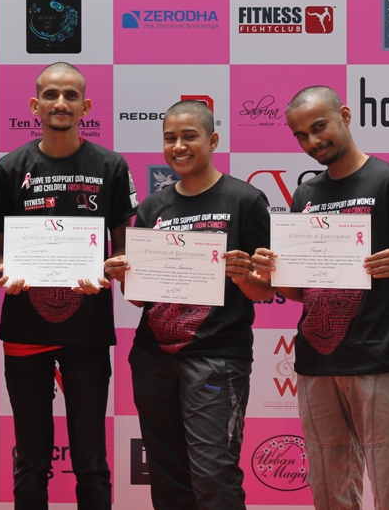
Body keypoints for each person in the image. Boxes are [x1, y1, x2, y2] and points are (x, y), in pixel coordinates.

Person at [250, 86, 389, 510]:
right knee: (329, 492)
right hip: (316, 361)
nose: (312, 141)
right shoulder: (305, 195)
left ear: (344, 115)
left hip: (381, 359)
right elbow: (299, 290)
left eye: (319, 127)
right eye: (301, 135)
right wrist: (273, 275)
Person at [104, 100, 272, 510]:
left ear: (213, 140)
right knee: (167, 473)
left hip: (216, 357)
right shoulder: (152, 207)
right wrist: (125, 275)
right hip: (153, 357)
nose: (178, 146)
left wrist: (242, 275)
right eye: (170, 138)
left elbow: (266, 290)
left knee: (214, 473)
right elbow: (139, 297)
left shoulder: (245, 200)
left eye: (189, 136)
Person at [0, 62, 137, 510]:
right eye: (51, 94)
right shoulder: (9, 168)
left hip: (87, 332)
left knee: (91, 459)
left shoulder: (110, 166)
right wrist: (4, 270)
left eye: (71, 95)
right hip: (25, 331)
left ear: (85, 106)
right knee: (31, 459)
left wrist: (112, 269)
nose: (60, 103)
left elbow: (122, 247)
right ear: (34, 105)